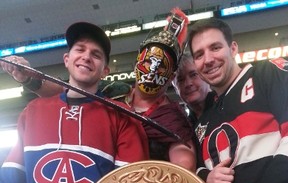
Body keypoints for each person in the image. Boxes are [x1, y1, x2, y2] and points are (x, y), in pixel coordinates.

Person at [6, 8, 197, 172]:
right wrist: (29, 78)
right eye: (148, 61)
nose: (153, 70)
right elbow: (66, 91)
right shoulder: (114, 91)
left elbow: (183, 161)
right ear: (136, 63)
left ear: (171, 77)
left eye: (161, 66)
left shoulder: (172, 117)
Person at [0, 22, 149, 183]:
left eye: (96, 55)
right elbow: (12, 182)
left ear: (105, 71)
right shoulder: (32, 111)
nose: (86, 57)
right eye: (80, 49)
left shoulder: (123, 117)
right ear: (66, 59)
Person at [188, 17, 288, 183]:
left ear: (233, 48)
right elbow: (196, 168)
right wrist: (207, 177)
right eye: (199, 55)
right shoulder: (204, 119)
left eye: (215, 47)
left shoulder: (265, 75)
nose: (208, 60)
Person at [172, 52, 214, 126]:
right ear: (176, 89)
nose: (188, 84)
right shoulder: (184, 127)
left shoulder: (226, 106)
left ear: (206, 76)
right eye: (180, 80)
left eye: (193, 75)